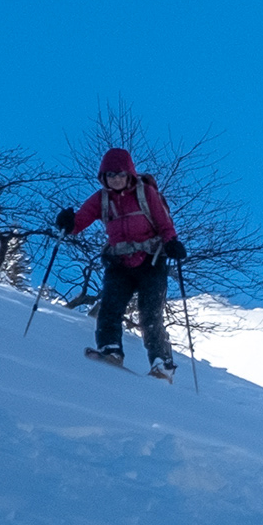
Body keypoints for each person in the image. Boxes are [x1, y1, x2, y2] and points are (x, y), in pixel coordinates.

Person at [55, 147, 188, 377]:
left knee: (150, 313)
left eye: (120, 174)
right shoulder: (101, 199)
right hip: (119, 263)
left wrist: (172, 242)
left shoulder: (146, 194)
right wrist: (68, 223)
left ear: (129, 174)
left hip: (152, 261)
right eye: (110, 175)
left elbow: (165, 224)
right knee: (110, 307)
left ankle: (162, 363)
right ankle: (110, 350)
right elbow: (79, 222)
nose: (115, 179)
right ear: (103, 177)